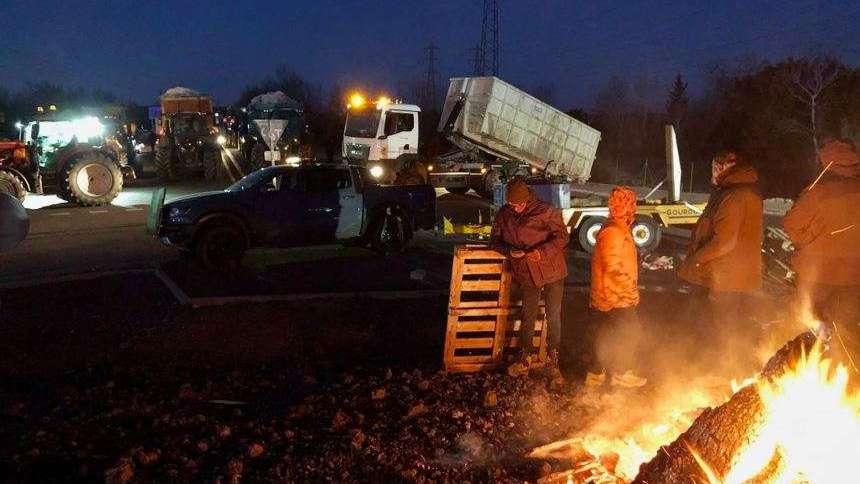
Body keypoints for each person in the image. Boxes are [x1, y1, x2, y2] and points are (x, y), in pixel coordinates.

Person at [678, 151, 763, 366]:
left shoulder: (734, 196)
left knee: (717, 328)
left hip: (726, 278)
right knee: (724, 327)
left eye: (715, 168)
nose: (712, 173)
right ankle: (721, 367)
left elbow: (724, 242)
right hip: (730, 276)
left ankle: (715, 370)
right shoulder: (734, 192)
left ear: (726, 167)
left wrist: (696, 260)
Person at [783, 138, 860, 363]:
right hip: (854, 277)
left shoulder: (819, 191)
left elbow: (792, 225)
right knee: (848, 332)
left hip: (819, 276)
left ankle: (815, 372)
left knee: (814, 329)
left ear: (827, 160)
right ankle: (849, 374)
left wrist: (808, 240)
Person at [490, 178, 569, 370]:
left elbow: (562, 237)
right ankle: (525, 356)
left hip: (551, 269)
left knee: (553, 314)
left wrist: (541, 252)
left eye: (520, 204)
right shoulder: (504, 214)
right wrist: (509, 251)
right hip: (526, 271)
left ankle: (553, 356)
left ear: (527, 199)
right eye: (512, 204)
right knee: (528, 314)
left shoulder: (546, 210)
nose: (516, 208)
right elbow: (494, 241)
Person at [589, 186, 646, 386]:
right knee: (632, 331)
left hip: (613, 292)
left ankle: (597, 373)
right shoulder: (613, 230)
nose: (630, 209)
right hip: (615, 294)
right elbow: (611, 266)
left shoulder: (618, 227)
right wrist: (629, 290)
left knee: (608, 332)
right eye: (629, 205)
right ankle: (620, 371)